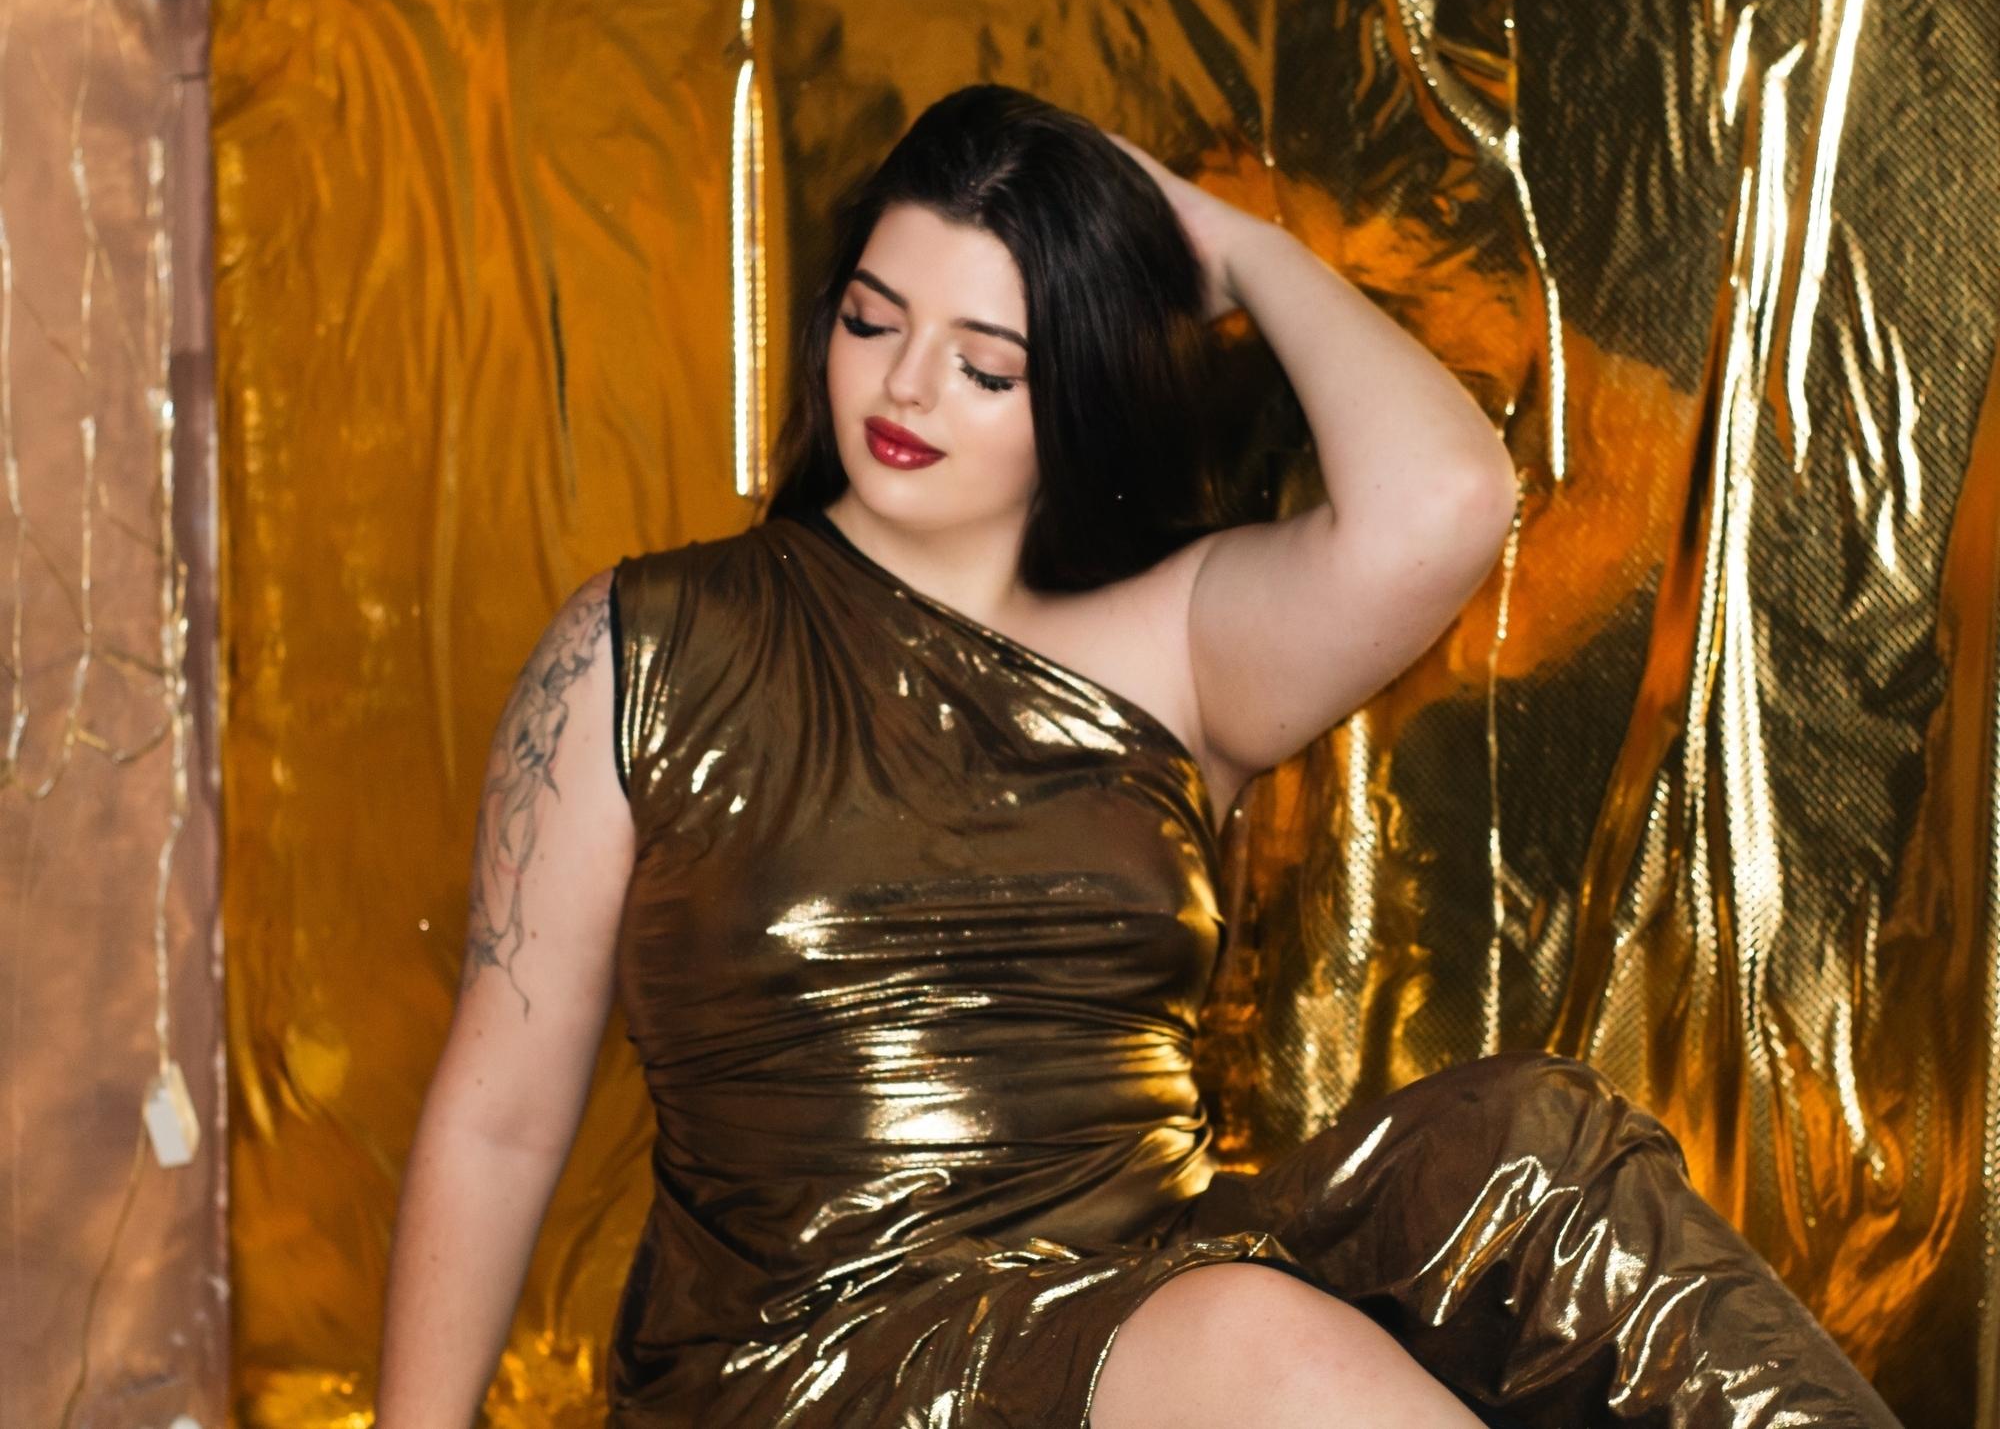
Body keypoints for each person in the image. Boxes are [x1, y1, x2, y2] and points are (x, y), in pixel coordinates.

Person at [376, 84, 1900, 1428]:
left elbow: (1448, 501)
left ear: (1085, 377)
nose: (904, 391)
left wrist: (1227, 241)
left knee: (1529, 1145)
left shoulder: (1177, 636)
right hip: (812, 1354)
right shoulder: (641, 644)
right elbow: (501, 1115)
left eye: (986, 362)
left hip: (1143, 1291)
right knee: (1248, 1336)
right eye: (873, 320)